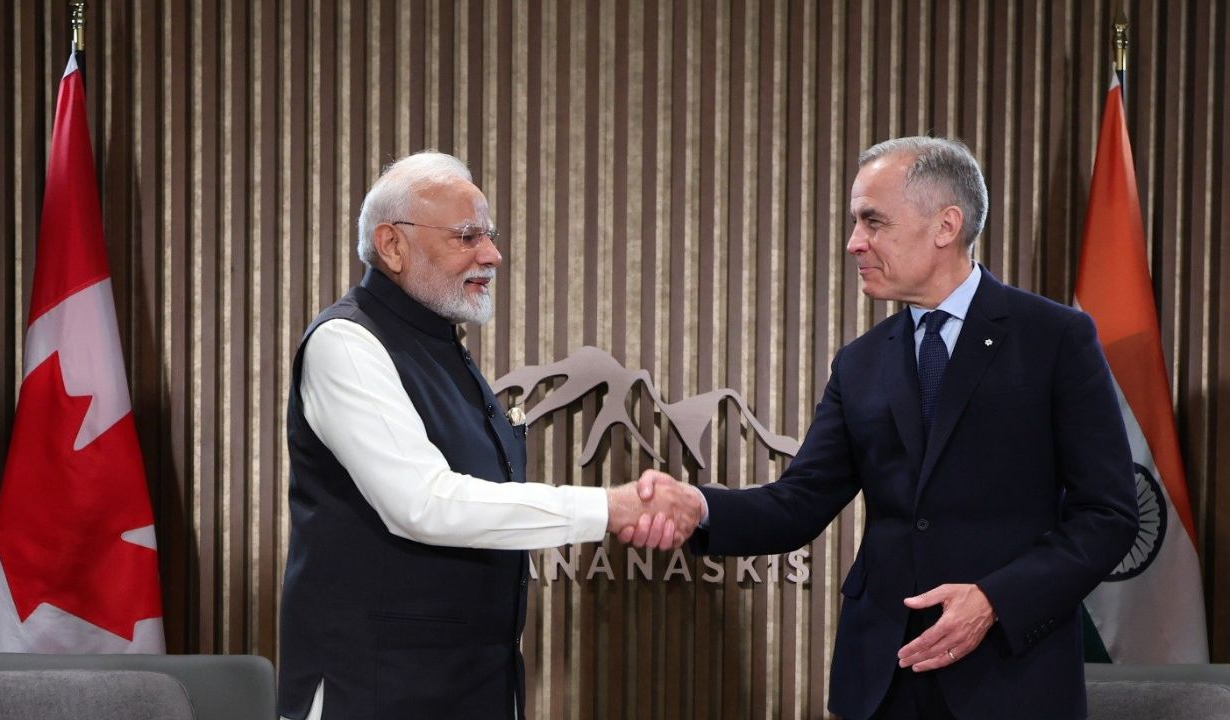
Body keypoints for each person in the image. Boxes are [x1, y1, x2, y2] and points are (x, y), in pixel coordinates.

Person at [636, 136, 1139, 719]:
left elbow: (1108, 515)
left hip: (1010, 679)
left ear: (945, 225)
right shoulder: (860, 362)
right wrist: (700, 508)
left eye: (872, 222)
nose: (854, 242)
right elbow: (798, 502)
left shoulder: (1055, 340)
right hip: (882, 680)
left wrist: (995, 600)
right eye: (855, 223)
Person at [277, 151, 699, 720]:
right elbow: (422, 504)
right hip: (374, 691)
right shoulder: (346, 344)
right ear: (392, 245)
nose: (492, 254)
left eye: (490, 235)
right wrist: (608, 507)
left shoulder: (444, 347)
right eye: (467, 235)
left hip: (470, 689)